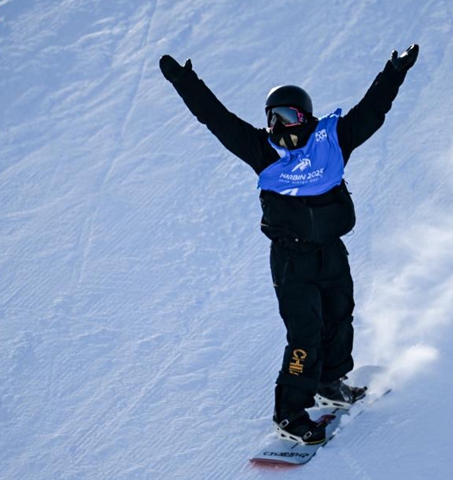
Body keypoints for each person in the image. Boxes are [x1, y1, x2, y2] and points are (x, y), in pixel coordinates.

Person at [159, 44, 419, 444]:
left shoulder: (333, 142)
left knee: (340, 317)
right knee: (305, 334)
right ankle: (289, 414)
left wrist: (394, 72)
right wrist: (186, 82)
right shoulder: (263, 152)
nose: (281, 126)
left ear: (306, 116)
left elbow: (373, 110)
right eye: (272, 118)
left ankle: (330, 382)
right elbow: (216, 119)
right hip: (291, 259)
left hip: (331, 250)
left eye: (288, 116)